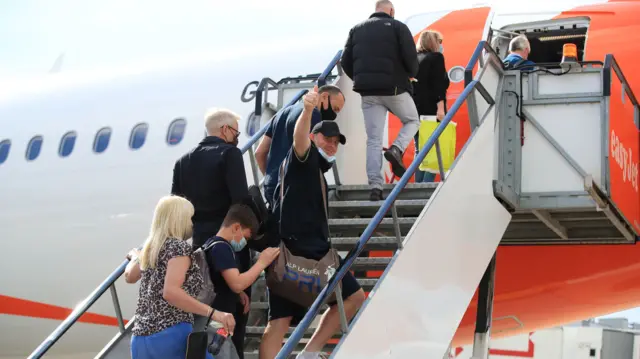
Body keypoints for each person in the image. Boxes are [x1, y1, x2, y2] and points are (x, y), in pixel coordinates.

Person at [259, 86, 366, 359]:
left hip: (311, 252)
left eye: (335, 142)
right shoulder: (302, 159)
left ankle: (309, 353)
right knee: (279, 322)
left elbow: (262, 152)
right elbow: (299, 141)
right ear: (313, 136)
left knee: (352, 297)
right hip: (297, 252)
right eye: (326, 139)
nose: (331, 144)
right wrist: (307, 110)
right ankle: (309, 353)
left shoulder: (315, 168)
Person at [170, 107, 262, 358]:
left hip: (200, 246)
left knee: (207, 313)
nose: (237, 137)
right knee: (235, 315)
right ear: (225, 130)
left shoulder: (183, 161)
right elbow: (240, 200)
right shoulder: (229, 154)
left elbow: (176, 208)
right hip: (228, 242)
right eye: (236, 131)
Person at [124, 195, 235, 359]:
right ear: (179, 219)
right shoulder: (178, 248)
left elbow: (129, 276)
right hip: (170, 335)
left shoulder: (150, 250)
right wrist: (214, 314)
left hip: (140, 339)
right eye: (190, 218)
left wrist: (136, 257)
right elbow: (171, 292)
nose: (192, 224)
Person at [340, 0, 420, 201]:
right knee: (412, 120)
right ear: (391, 10)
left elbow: (345, 61)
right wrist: (411, 74)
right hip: (393, 89)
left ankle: (375, 187)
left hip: (368, 92)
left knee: (374, 140)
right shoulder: (398, 27)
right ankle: (397, 148)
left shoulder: (356, 30)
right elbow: (411, 56)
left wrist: (360, 78)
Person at [204, 203, 281, 357]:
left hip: (214, 322)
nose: (244, 243)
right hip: (217, 324)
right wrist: (262, 262)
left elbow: (219, 280)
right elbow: (237, 283)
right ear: (236, 227)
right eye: (245, 237)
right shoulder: (222, 248)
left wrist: (238, 295)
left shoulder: (211, 244)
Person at [255, 85, 345, 208]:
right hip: (294, 189)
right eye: (335, 109)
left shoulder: (281, 113)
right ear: (324, 96)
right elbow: (310, 157)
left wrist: (273, 177)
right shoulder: (312, 115)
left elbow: (259, 152)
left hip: (272, 187)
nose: (334, 114)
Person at [411, 30, 450, 183]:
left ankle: (417, 188)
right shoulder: (436, 58)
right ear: (433, 43)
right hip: (431, 110)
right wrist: (441, 108)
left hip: (414, 111)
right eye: (439, 42)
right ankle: (426, 188)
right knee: (434, 151)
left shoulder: (414, 60)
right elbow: (439, 86)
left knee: (419, 150)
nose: (441, 46)